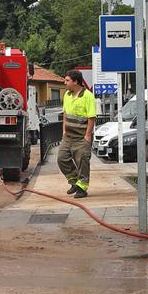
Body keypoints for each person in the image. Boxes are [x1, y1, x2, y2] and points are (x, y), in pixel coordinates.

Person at [58, 70, 97, 198]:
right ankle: (75, 181)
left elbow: (91, 117)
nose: (65, 82)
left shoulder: (88, 96)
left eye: (67, 80)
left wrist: (88, 135)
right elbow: (65, 114)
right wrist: (64, 130)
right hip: (68, 137)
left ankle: (82, 188)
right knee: (62, 159)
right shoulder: (67, 95)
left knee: (82, 162)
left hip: (81, 137)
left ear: (75, 82)